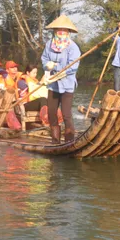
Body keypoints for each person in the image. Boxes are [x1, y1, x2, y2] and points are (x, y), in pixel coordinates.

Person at [40, 15, 81, 144]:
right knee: (52, 113)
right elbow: (44, 59)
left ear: (68, 32)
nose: (61, 32)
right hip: (53, 84)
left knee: (66, 114)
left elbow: (73, 67)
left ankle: (69, 140)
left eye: (64, 30)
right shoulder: (49, 44)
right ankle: (55, 141)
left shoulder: (73, 47)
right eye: (59, 29)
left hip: (67, 84)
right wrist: (48, 65)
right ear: (55, 31)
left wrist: (58, 68)